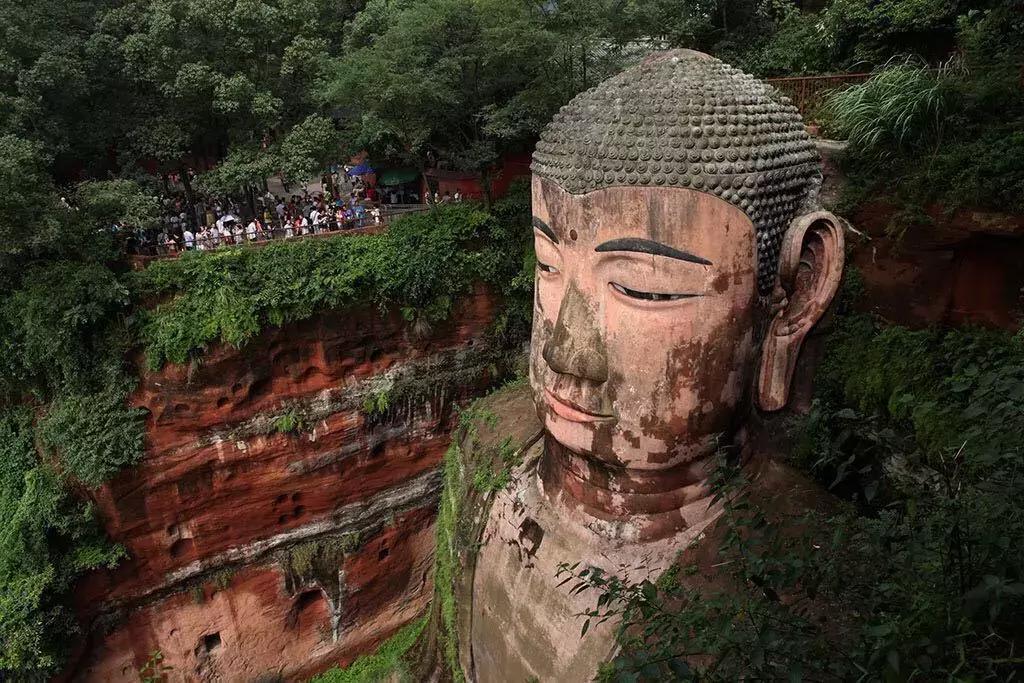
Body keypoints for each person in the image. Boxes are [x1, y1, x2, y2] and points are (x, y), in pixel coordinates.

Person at [460, 50, 844, 682]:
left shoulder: (786, 625)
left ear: (796, 294)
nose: (564, 350)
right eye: (547, 266)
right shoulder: (487, 459)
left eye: (645, 288)